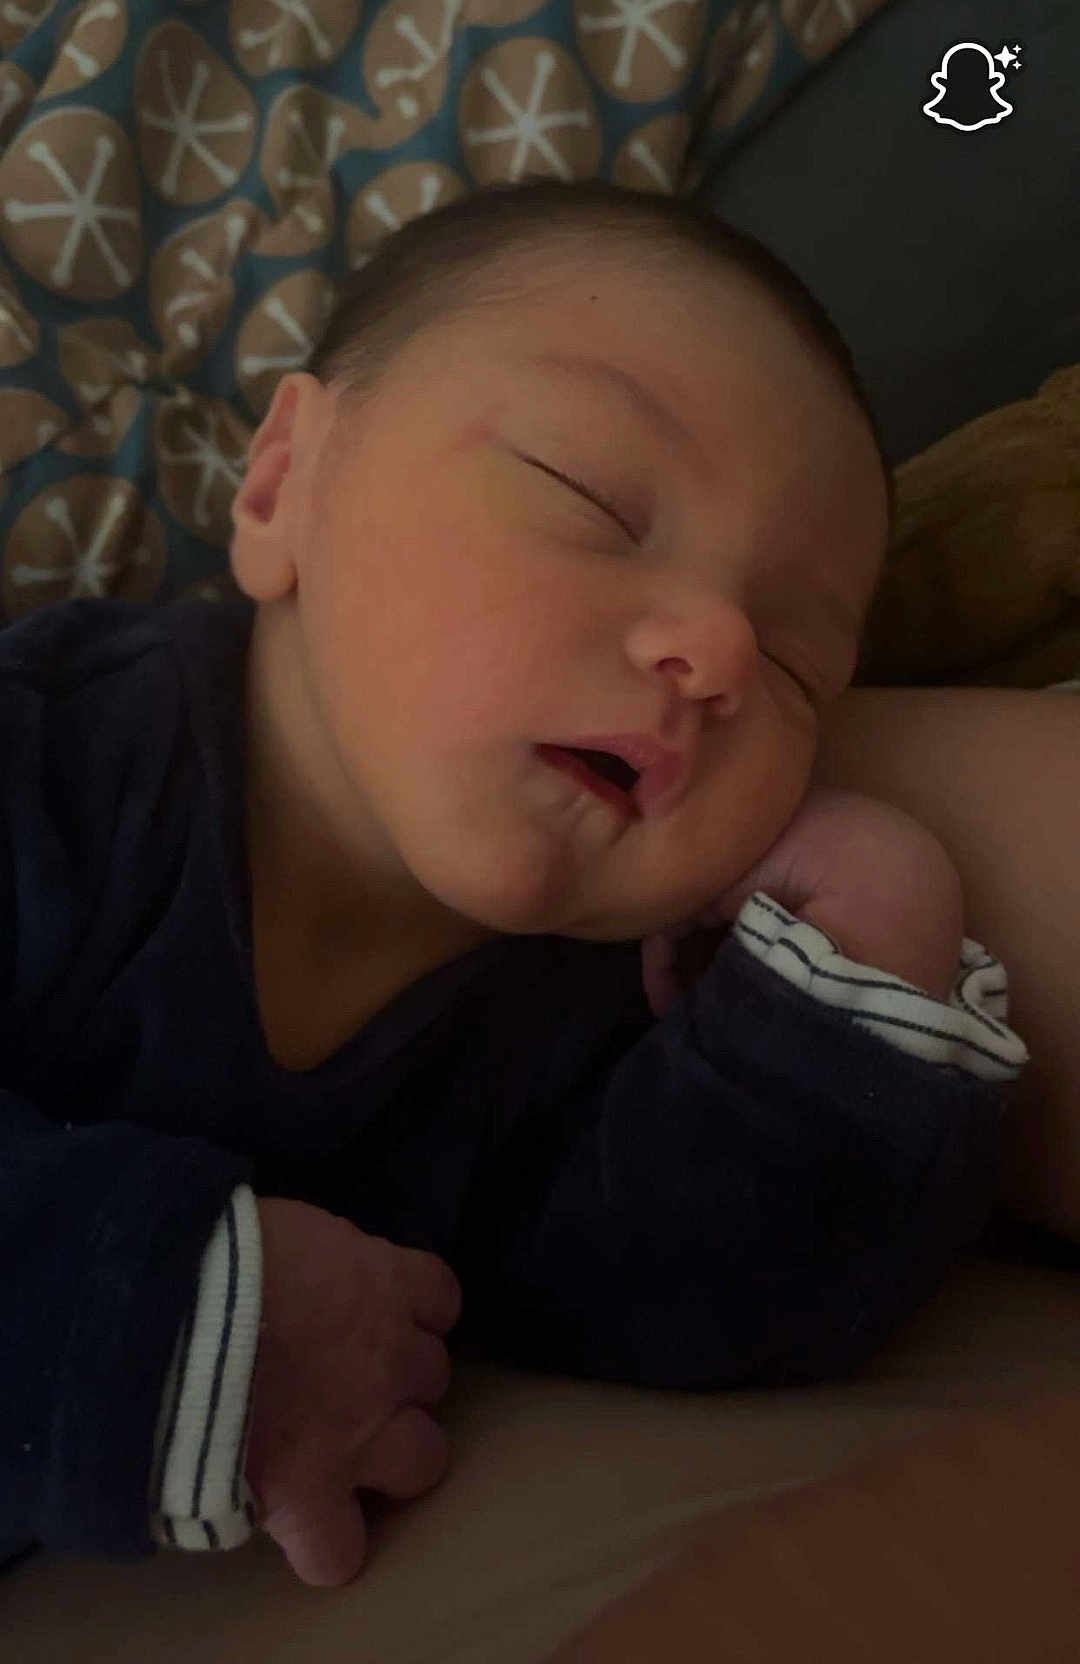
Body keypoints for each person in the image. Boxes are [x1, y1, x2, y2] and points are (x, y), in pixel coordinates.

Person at [0, 177, 1058, 1596]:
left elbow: (702, 1294)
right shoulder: (56, 758)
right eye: (594, 500)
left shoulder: (586, 1013)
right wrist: (149, 1328)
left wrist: (852, 994)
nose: (717, 655)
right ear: (282, 485)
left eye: (798, 666)